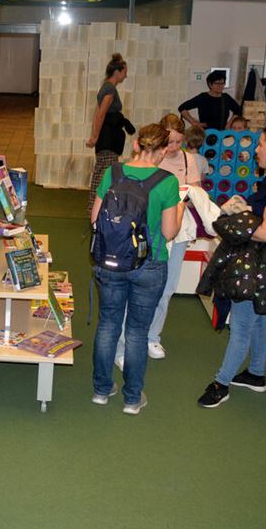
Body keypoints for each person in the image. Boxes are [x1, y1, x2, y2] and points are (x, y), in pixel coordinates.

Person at [197, 123, 266, 408]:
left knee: (241, 326)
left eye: (261, 144)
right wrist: (245, 211)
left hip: (262, 270)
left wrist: (235, 222)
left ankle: (220, 384)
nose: (256, 149)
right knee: (259, 318)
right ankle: (256, 374)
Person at [91, 123, 181, 415]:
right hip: (150, 263)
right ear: (165, 149)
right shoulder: (167, 182)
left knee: (108, 324)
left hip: (111, 261)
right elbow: (168, 233)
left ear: (137, 145)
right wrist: (179, 210)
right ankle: (132, 399)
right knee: (137, 332)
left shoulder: (113, 172)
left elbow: (95, 219)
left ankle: (102, 391)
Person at [145, 114, 200, 359]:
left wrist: (185, 196)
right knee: (144, 282)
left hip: (178, 230)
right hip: (151, 227)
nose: (173, 148)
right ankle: (136, 331)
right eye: (169, 142)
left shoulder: (189, 160)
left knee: (168, 286)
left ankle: (153, 337)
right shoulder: (152, 158)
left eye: (178, 142)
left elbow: (197, 193)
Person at [85, 53, 134, 213]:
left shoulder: (105, 86)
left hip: (106, 137)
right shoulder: (110, 89)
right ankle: (97, 207)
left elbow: (97, 113)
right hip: (108, 138)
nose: (126, 75)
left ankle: (94, 205)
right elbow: (101, 114)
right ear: (117, 72)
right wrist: (96, 136)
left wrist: (95, 135)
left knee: (101, 170)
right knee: (105, 172)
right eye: (124, 71)